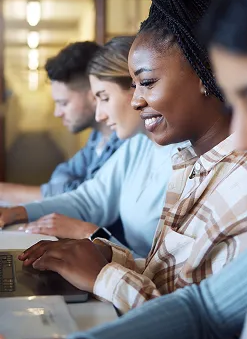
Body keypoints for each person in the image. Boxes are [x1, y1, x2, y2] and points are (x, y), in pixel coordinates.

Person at [7, 0, 247, 339]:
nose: (246, 137)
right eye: (237, 100)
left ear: (203, 78)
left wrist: (106, 273)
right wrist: (107, 262)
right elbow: (202, 306)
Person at [0, 36, 177, 258]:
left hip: (141, 284)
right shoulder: (138, 145)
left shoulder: (185, 158)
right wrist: (21, 212)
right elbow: (90, 199)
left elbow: (169, 273)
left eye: (104, 98)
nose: (99, 114)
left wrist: (90, 233)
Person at [0, 41, 123, 204]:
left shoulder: (128, 141)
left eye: (64, 103)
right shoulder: (97, 138)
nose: (57, 113)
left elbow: (89, 202)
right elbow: (65, 172)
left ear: (95, 94)